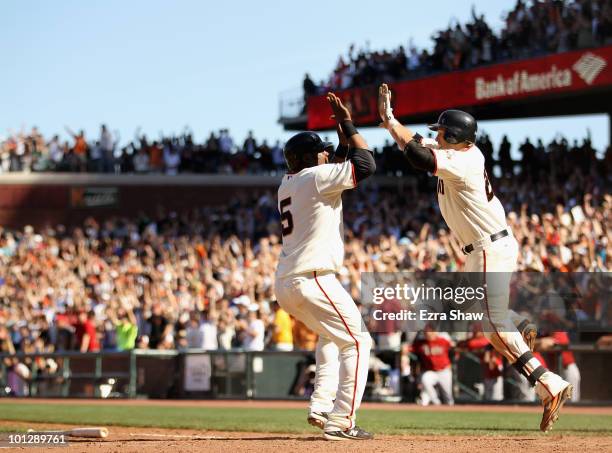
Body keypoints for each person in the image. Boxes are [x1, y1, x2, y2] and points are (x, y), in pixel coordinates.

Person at [377, 83, 572, 432]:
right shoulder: (457, 150)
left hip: (488, 246)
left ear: (454, 136)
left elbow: (419, 156)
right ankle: (535, 357)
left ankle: (550, 384)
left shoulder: (463, 160)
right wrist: (390, 120)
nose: (435, 136)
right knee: (492, 328)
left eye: (440, 132)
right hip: (486, 247)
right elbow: (419, 144)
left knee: (493, 324)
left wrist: (401, 132)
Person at [274, 92, 376, 441]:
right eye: (321, 150)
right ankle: (341, 421)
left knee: (333, 338)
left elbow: (342, 160)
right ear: (307, 157)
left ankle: (320, 406)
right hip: (312, 277)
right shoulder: (315, 178)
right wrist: (347, 122)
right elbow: (365, 164)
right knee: (360, 342)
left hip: (289, 281)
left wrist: (341, 132)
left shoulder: (292, 182)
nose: (328, 153)